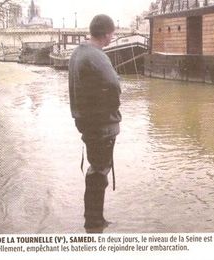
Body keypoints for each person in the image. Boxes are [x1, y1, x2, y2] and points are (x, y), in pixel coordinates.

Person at [68, 14, 121, 230]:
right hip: (101, 124)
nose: (112, 37)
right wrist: (113, 108)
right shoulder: (97, 55)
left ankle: (93, 219)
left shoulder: (78, 52)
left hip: (85, 121)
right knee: (100, 170)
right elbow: (114, 84)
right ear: (107, 34)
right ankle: (94, 222)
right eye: (112, 33)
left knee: (94, 168)